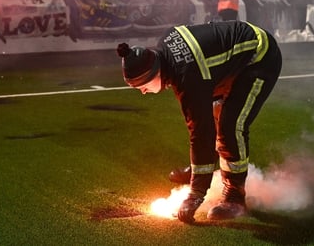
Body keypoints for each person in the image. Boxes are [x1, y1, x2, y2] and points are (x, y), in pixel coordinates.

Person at [116, 20, 282, 223]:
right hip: (225, 65)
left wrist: (195, 194)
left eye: (142, 86)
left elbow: (201, 134)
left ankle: (234, 196)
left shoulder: (188, 77)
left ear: (155, 73)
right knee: (214, 115)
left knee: (230, 127)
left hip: (259, 58)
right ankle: (206, 165)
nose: (143, 92)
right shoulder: (166, 51)